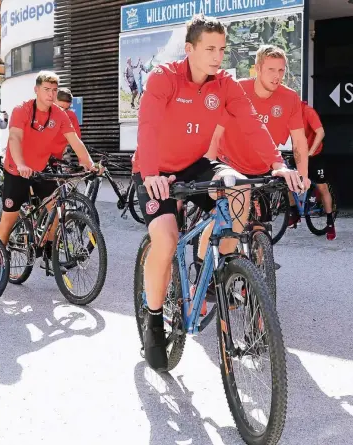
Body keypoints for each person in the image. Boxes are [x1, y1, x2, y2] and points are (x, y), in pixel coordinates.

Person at [132, 15, 300, 372]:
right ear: (189, 49)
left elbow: (252, 123)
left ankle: (221, 268)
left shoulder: (224, 84)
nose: (217, 56)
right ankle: (153, 318)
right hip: (155, 168)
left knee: (239, 187)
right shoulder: (164, 78)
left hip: (196, 163)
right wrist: (150, 174)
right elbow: (146, 126)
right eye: (210, 48)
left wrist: (277, 164)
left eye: (221, 49)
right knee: (165, 237)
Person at [0, 71, 96, 284]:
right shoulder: (22, 110)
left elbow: (74, 140)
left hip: (39, 169)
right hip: (15, 170)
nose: (50, 94)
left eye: (54, 90)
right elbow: (15, 137)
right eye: (46, 90)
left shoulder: (58, 114)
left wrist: (89, 163)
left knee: (56, 208)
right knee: (7, 220)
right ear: (37, 90)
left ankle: (48, 253)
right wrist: (20, 164)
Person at [207, 45, 310, 231]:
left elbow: (299, 140)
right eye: (271, 69)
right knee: (223, 224)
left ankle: (259, 260)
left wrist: (303, 174)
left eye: (281, 70)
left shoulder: (290, 98)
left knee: (260, 229)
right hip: (230, 165)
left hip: (263, 169)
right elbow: (215, 132)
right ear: (258, 69)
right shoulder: (238, 89)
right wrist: (207, 168)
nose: (276, 75)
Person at [288, 101, 336, 240]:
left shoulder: (308, 111)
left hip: (315, 155)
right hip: (299, 154)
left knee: (322, 188)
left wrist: (310, 152)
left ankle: (330, 222)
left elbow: (320, 132)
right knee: (285, 180)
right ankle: (294, 212)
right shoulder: (288, 114)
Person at [52, 87, 81, 159]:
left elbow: (77, 138)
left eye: (66, 109)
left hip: (62, 153)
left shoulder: (71, 115)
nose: (63, 111)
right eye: (60, 107)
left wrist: (82, 158)